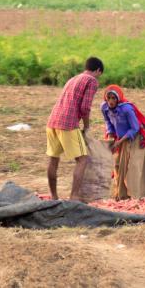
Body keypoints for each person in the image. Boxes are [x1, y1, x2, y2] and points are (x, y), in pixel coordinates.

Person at [46, 57, 104, 201]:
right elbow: (85, 107)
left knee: (53, 159)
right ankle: (74, 197)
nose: (98, 77)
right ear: (98, 70)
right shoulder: (91, 81)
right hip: (68, 123)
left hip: (52, 121)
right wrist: (87, 127)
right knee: (82, 159)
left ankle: (53, 197)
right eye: (99, 74)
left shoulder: (73, 78)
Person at [101, 85, 145, 200]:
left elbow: (135, 128)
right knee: (118, 165)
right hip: (119, 138)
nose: (111, 101)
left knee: (131, 167)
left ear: (118, 98)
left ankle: (135, 195)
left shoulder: (126, 109)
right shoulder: (104, 107)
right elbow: (108, 122)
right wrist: (110, 135)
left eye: (113, 98)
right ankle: (121, 195)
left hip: (134, 138)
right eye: (108, 98)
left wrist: (119, 142)